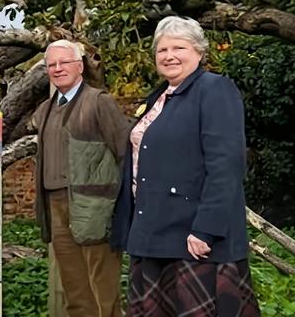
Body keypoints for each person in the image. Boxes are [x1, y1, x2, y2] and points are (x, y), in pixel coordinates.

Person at [110, 16, 261, 316]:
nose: (169, 56)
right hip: (153, 235)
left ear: (199, 52)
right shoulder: (157, 98)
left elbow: (226, 166)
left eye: (179, 47)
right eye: (162, 50)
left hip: (194, 239)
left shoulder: (214, 89)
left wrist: (206, 230)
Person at [32, 39, 131, 317]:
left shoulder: (99, 102)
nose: (58, 68)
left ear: (79, 66)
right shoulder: (45, 110)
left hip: (94, 208)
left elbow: (125, 153)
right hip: (56, 205)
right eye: (52, 64)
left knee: (104, 291)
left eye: (64, 62)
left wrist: (122, 205)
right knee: (75, 291)